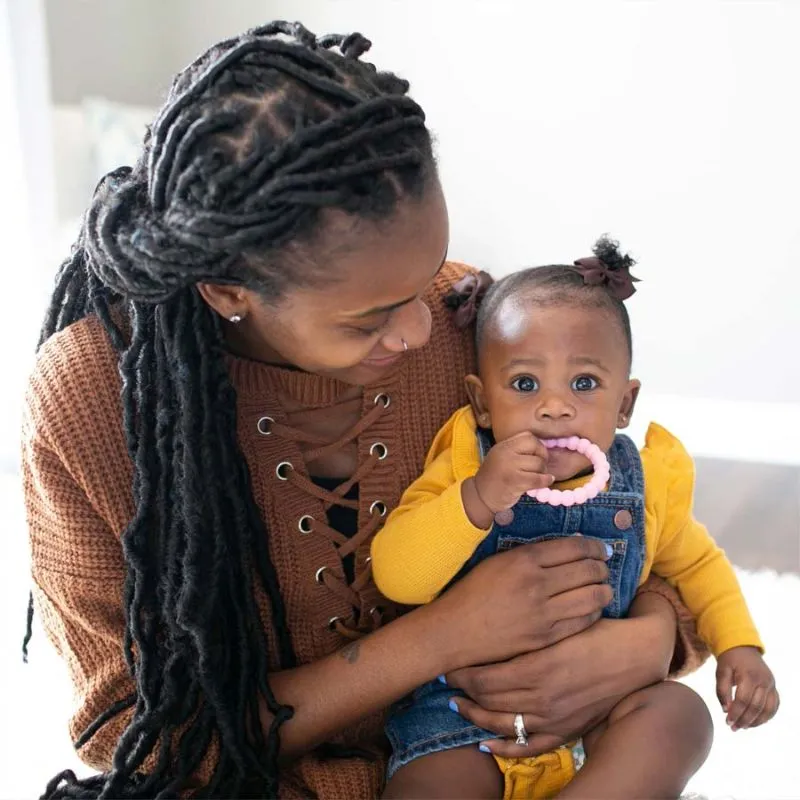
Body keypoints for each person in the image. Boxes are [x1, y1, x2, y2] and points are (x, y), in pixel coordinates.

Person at [22, 22, 709, 799]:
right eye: (370, 318)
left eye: (424, 279)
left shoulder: (466, 319)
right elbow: (137, 737)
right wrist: (439, 637)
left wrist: (649, 641)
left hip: (512, 764)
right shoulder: (92, 401)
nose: (421, 327)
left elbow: (631, 513)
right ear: (228, 291)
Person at [372, 237, 780, 799]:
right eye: (524, 384)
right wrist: (475, 499)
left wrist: (740, 648)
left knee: (681, 716)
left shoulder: (647, 479)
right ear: (483, 401)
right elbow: (398, 576)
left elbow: (699, 563)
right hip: (466, 723)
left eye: (584, 384)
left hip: (601, 716)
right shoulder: (466, 461)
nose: (555, 406)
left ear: (625, 404)